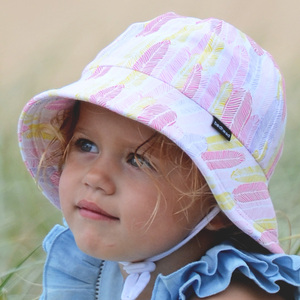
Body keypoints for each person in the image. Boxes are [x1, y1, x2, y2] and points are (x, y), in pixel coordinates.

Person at [18, 12, 300, 299]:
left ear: (218, 205)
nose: (95, 177)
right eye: (86, 145)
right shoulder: (94, 273)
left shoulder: (232, 294)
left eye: (138, 160)